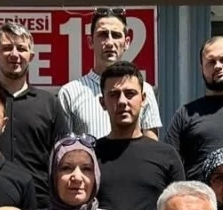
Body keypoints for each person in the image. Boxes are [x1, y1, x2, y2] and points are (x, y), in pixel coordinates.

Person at [93, 61, 185, 210]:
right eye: (114, 95)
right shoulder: (90, 156)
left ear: (143, 99)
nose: (122, 101)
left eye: (130, 94)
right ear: (102, 102)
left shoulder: (166, 156)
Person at [58, 8, 162, 139]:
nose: (109, 43)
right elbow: (64, 146)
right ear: (90, 42)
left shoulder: (144, 90)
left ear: (127, 42)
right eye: (103, 35)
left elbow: (151, 145)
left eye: (116, 35)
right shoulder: (70, 93)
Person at [0, 21, 65, 202]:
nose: (14, 54)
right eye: (7, 48)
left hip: (39, 202)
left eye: (21, 48)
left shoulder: (49, 103)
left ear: (31, 56)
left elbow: (62, 156)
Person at [163, 36, 223, 178]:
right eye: (211, 62)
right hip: (197, 191)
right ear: (201, 69)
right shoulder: (186, 114)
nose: (218, 66)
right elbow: (167, 165)